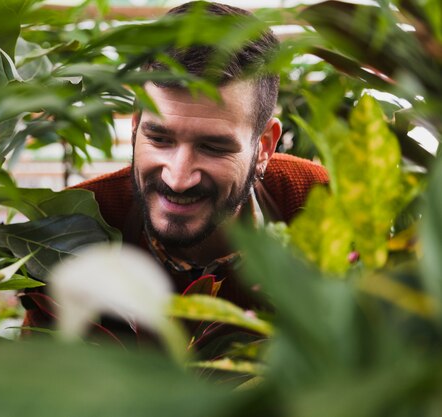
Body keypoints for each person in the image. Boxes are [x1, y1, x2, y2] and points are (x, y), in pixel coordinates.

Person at [21, 1, 328, 349]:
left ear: (264, 148)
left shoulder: (318, 201)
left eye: (213, 147)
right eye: (159, 138)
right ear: (136, 125)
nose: (178, 178)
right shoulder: (70, 227)